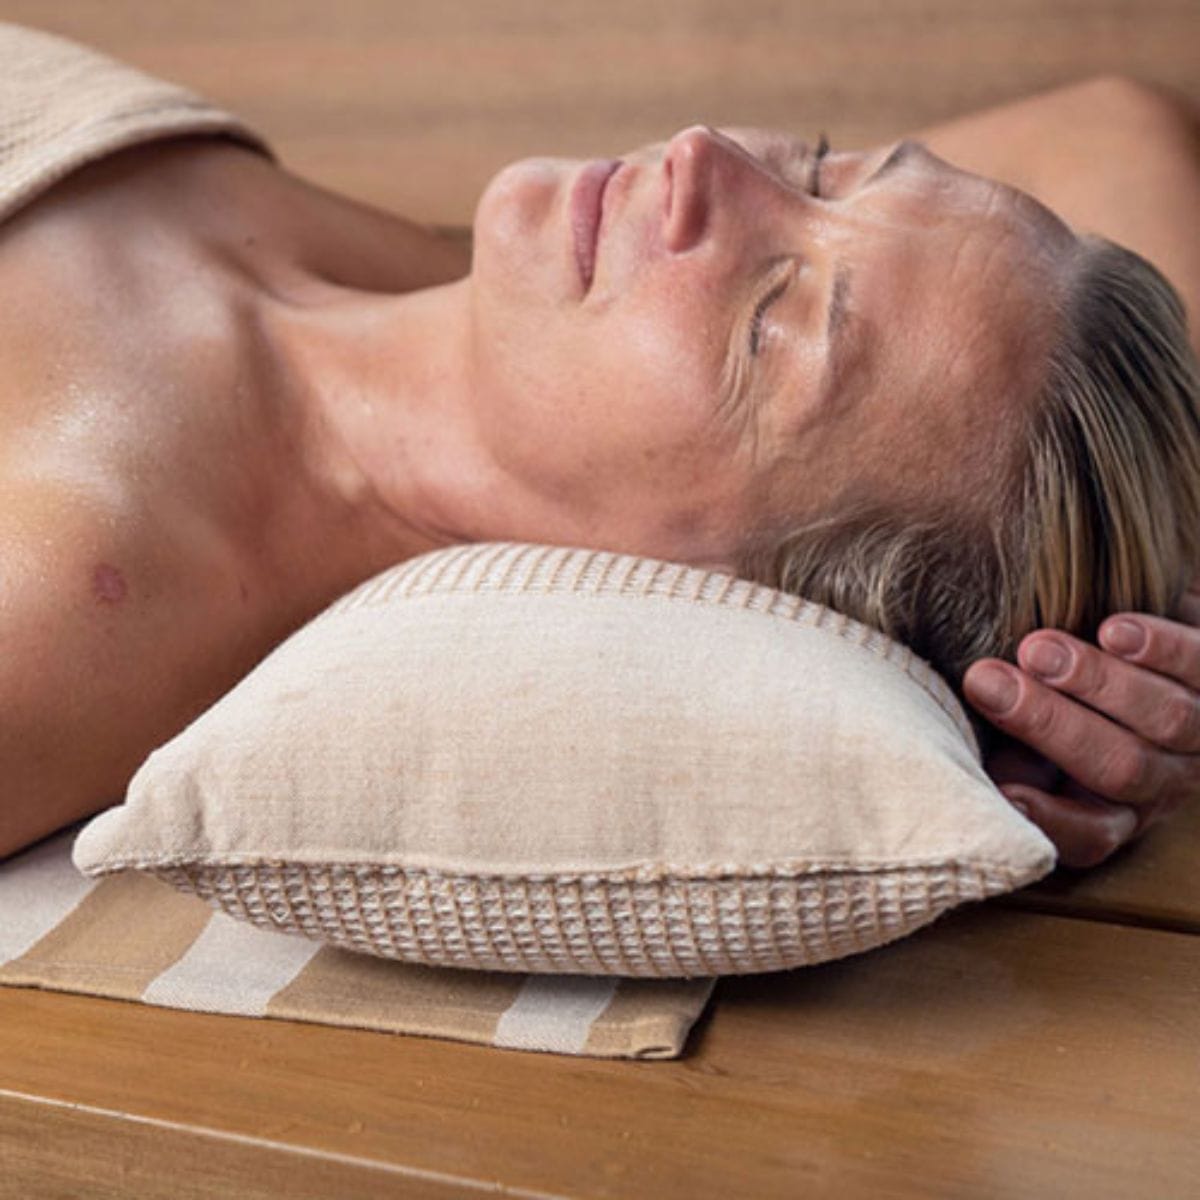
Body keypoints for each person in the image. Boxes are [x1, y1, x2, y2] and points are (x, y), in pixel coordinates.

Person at [0, 22, 1198, 873]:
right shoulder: (452, 306)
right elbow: (1111, 134)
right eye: (827, 164)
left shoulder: (85, 587)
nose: (704, 161)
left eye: (774, 321)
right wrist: (1168, 617)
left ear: (738, 595)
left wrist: (1048, 664)